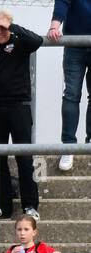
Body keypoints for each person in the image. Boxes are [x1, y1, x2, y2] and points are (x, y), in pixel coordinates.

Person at [0, 13, 43, 220]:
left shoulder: (20, 43)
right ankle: (2, 208)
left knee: (24, 157)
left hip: (19, 107)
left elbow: (37, 41)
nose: (0, 31)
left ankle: (30, 206)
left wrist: (12, 25)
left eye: (3, 27)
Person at [51, 1, 91, 170]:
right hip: (74, 45)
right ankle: (68, 146)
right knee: (71, 95)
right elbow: (62, 2)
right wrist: (54, 26)